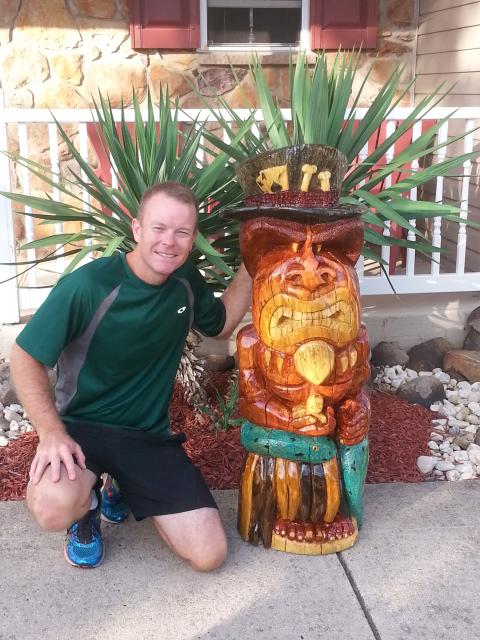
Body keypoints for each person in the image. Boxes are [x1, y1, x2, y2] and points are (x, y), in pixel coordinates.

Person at [10, 182, 252, 572]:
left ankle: (120, 484)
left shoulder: (185, 282)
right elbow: (25, 356)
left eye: (182, 232)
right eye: (159, 228)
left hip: (146, 436)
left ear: (192, 239)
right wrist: (51, 433)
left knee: (209, 556)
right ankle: (86, 508)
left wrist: (254, 262)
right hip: (80, 428)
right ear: (137, 229)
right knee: (52, 508)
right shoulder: (89, 286)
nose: (169, 241)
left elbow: (220, 324)